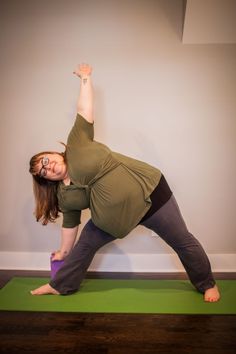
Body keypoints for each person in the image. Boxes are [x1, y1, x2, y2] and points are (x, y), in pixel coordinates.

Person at [29, 63, 220, 302]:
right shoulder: (64, 194)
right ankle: (59, 285)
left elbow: (84, 109)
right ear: (46, 180)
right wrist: (63, 252)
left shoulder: (77, 143)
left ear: (55, 153)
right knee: (85, 245)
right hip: (112, 219)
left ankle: (207, 284)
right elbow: (70, 224)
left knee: (182, 240)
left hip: (149, 194)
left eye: (45, 160)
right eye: (43, 171)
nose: (48, 167)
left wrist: (85, 79)